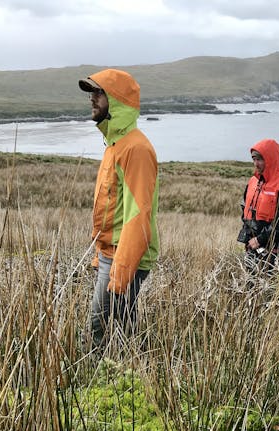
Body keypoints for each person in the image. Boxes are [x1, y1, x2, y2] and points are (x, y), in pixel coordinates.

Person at [78, 69, 159, 349]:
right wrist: (101, 254)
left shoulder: (135, 149)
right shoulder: (115, 145)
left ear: (117, 99)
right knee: (122, 322)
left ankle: (104, 382)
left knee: (97, 326)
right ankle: (131, 370)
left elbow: (138, 215)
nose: (92, 99)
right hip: (111, 252)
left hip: (125, 256)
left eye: (99, 93)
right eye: (91, 93)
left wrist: (121, 270)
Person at [238, 139, 279, 272]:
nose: (256, 163)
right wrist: (248, 235)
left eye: (259, 159)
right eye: (253, 159)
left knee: (272, 287)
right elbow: (245, 210)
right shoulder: (252, 182)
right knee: (251, 285)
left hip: (276, 248)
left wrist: (260, 239)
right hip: (252, 245)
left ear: (270, 158)